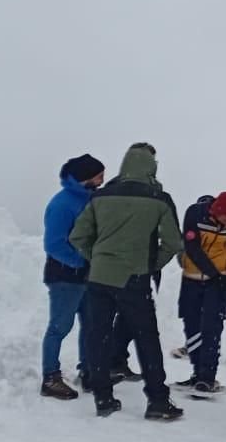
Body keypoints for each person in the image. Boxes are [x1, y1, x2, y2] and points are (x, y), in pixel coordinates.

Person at [69, 143, 185, 420]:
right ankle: (158, 401)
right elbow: (172, 243)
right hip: (134, 278)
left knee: (98, 336)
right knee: (147, 339)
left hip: (99, 278)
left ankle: (103, 398)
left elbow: (77, 237)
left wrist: (96, 258)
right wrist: (151, 264)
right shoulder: (159, 198)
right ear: (152, 166)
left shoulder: (101, 196)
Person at [173, 190, 226, 393]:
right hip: (193, 279)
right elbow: (191, 247)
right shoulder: (196, 214)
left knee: (212, 327)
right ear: (216, 210)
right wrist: (212, 274)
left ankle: (207, 376)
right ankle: (197, 371)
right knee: (191, 324)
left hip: (221, 283)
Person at [40, 153, 105, 400]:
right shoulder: (62, 204)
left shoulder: (91, 200)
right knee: (59, 327)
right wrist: (82, 261)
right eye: (99, 175)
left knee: (90, 325)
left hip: (87, 276)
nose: (102, 180)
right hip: (65, 277)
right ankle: (50, 378)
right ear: (85, 177)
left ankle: (88, 371)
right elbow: (54, 244)